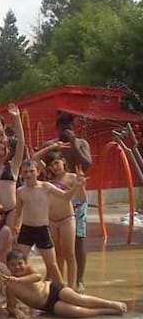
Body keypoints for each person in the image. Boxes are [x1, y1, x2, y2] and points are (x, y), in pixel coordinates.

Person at [42, 112, 92, 293]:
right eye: (63, 128)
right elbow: (37, 162)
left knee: (79, 239)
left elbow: (87, 164)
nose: (66, 131)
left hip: (77, 195)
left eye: (69, 127)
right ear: (58, 128)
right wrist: (52, 148)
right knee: (56, 244)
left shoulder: (81, 144)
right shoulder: (52, 145)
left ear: (74, 128)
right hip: (57, 198)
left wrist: (74, 144)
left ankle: (79, 279)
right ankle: (55, 277)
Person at [13, 160, 85, 284]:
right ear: (21, 174)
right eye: (25, 172)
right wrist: (15, 228)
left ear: (38, 172)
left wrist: (77, 185)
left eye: (31, 171)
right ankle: (19, 290)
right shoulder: (20, 191)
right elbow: (18, 212)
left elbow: (66, 197)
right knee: (20, 261)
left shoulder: (45, 186)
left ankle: (62, 289)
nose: (29, 174)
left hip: (42, 229)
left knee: (52, 264)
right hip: (26, 229)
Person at [4, 250, 127, 319]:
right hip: (47, 305)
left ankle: (110, 303)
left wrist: (19, 280)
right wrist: (15, 312)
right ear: (8, 266)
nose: (17, 267)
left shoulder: (28, 270)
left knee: (77, 299)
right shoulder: (10, 286)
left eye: (20, 263)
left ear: (25, 263)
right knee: (76, 312)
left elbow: (37, 277)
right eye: (13, 265)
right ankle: (104, 311)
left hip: (53, 289)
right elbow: (10, 306)